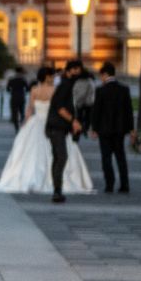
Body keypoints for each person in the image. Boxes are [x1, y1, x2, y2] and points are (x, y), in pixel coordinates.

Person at [0, 67, 93, 196]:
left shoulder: (34, 90)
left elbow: (29, 109)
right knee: (58, 153)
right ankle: (57, 181)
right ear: (47, 77)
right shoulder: (55, 90)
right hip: (54, 124)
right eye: (51, 76)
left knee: (30, 151)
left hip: (36, 122)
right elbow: (59, 108)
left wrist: (25, 123)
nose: (53, 78)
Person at [45, 60, 87, 203]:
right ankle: (57, 191)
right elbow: (60, 108)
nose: (78, 73)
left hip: (56, 127)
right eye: (76, 70)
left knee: (58, 157)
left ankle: (57, 190)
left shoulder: (65, 84)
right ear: (70, 70)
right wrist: (73, 121)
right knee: (61, 157)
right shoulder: (65, 85)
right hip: (56, 127)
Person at [92, 62, 134, 194]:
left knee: (106, 158)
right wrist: (131, 129)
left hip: (104, 130)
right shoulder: (124, 89)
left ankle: (109, 184)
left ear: (105, 74)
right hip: (120, 130)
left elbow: (96, 111)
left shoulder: (100, 90)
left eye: (101, 76)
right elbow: (129, 111)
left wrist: (94, 128)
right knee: (120, 157)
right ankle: (124, 184)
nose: (101, 79)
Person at [72, 65, 95, 143]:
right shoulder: (90, 81)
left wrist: (77, 100)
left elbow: (77, 92)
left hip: (81, 103)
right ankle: (85, 129)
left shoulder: (79, 82)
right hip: (89, 102)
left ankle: (80, 130)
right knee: (87, 117)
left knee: (79, 117)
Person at [6, 67, 30, 132]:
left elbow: (7, 89)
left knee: (14, 113)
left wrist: (12, 91)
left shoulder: (11, 79)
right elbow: (28, 89)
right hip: (21, 97)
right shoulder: (23, 80)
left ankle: (16, 128)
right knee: (22, 112)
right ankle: (22, 126)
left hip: (14, 98)